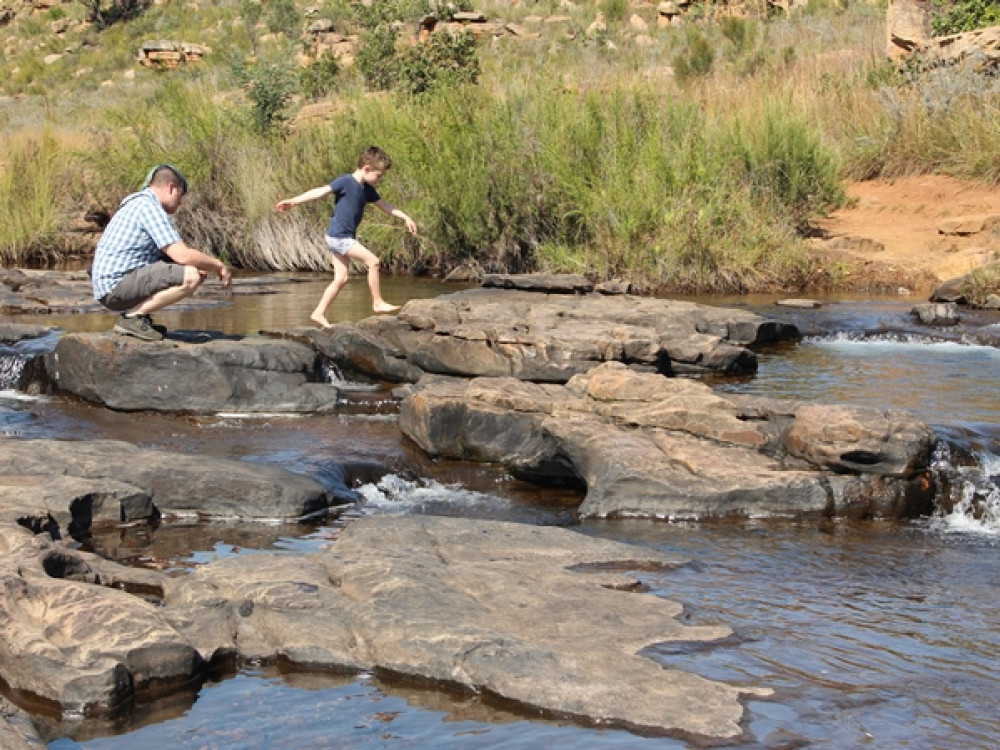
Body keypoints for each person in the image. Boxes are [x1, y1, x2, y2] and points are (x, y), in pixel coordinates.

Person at [274, 146, 418, 328]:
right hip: (339, 237)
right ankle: (377, 302)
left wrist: (405, 217)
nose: (379, 180)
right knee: (373, 262)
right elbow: (319, 192)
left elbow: (385, 206)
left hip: (339, 237)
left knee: (341, 278)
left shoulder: (367, 189)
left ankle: (318, 312)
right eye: (379, 175)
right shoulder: (345, 181)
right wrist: (293, 201)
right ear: (366, 168)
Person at [90, 164, 232, 342]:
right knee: (191, 276)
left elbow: (171, 256)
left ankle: (139, 317)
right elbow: (182, 255)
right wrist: (218, 265)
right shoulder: (148, 207)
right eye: (180, 195)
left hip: (110, 285)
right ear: (171, 188)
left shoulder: (137, 203)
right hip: (115, 286)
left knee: (190, 270)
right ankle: (132, 318)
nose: (180, 203)